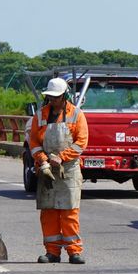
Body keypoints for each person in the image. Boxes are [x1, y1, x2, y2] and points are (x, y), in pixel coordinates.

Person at [27, 77, 89, 264]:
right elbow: (34, 142)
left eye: (56, 97)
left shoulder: (77, 115)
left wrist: (61, 156)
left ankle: (74, 252)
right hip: (47, 170)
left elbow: (81, 143)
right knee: (49, 212)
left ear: (65, 96)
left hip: (69, 170)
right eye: (50, 97)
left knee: (69, 212)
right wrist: (43, 161)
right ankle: (52, 252)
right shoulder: (40, 115)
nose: (52, 100)